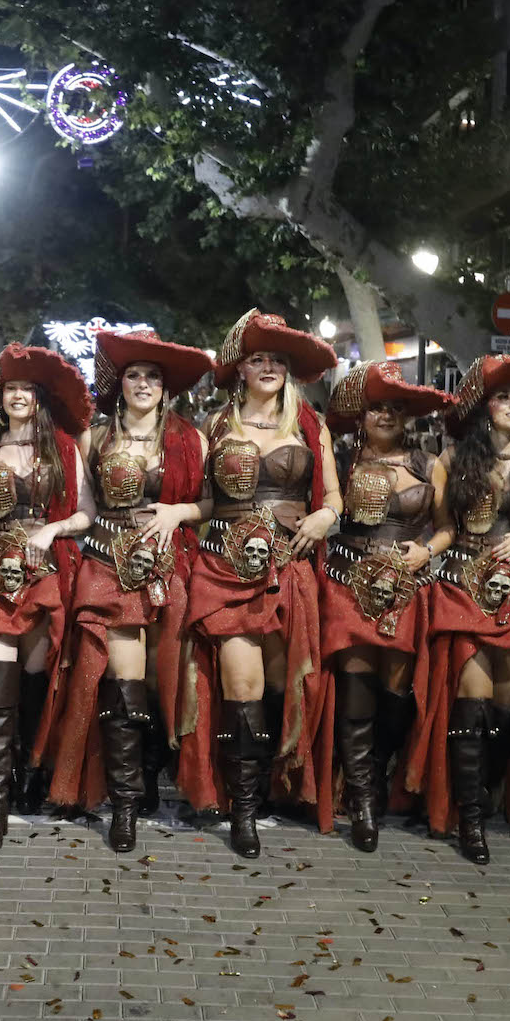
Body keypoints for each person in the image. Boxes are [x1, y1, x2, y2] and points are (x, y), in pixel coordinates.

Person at [180, 311, 342, 857]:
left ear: (289, 371)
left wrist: (324, 518)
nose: (268, 366)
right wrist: (172, 513)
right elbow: (205, 500)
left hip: (291, 570)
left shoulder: (311, 424)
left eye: (277, 360)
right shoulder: (214, 425)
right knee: (240, 687)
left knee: (280, 688)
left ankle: (273, 789)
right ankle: (243, 810)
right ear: (241, 369)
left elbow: (334, 499)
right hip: (225, 567)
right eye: (258, 359)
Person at [47, 329, 212, 851]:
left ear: (166, 387)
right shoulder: (93, 438)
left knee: (163, 684)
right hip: (106, 566)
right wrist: (59, 529)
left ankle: (148, 777)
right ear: (120, 384)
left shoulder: (191, 437)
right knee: (124, 678)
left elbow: (210, 504)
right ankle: (123, 804)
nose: (143, 383)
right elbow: (87, 508)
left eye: (153, 376)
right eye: (135, 374)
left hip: (171, 569)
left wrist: (177, 511)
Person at [408, 356, 510, 865]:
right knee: (470, 700)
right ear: (485, 408)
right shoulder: (452, 459)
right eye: (504, 397)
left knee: (504, 709)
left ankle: (488, 794)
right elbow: (444, 527)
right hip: (461, 586)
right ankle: (471, 820)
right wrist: (423, 556)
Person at [0, 344, 94, 853]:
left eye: (27, 389)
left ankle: (29, 771)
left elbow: (85, 515)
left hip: (46, 574)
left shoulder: (65, 447)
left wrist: (52, 529)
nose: (19, 396)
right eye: (11, 389)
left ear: (39, 398)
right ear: (0, 396)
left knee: (35, 682)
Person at [320, 359, 451, 852]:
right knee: (356, 686)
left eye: (396, 408)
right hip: (348, 584)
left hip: (407, 588)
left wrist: (428, 551)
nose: (387, 416)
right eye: (378, 408)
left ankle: (375, 773)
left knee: (397, 695)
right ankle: (362, 801)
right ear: (362, 414)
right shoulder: (343, 458)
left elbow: (446, 527)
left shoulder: (429, 463)